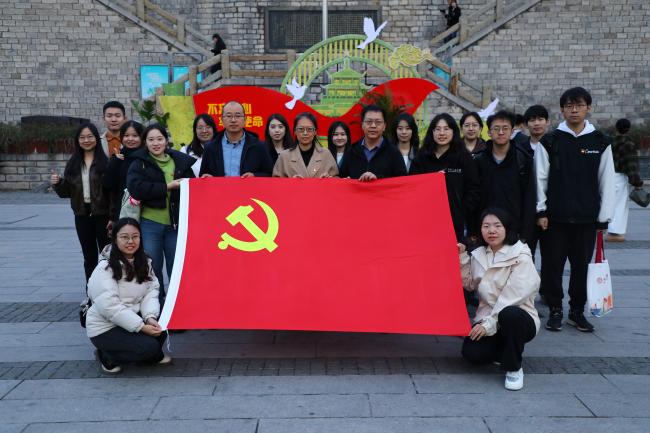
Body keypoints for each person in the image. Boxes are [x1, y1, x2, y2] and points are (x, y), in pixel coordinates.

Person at [536, 87, 615, 333]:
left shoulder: (600, 142)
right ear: (562, 109)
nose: (574, 110)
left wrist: (603, 217)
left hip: (586, 219)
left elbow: (607, 181)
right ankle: (555, 309)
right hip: (555, 218)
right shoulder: (550, 141)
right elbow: (540, 179)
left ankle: (577, 311)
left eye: (579, 105)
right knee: (552, 266)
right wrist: (541, 211)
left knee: (581, 267)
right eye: (569, 106)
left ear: (588, 108)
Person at [459, 208, 540, 391]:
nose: (491, 231)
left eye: (497, 226)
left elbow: (512, 297)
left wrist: (488, 324)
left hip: (519, 317)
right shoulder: (479, 254)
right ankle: (504, 347)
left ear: (507, 228)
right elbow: (470, 284)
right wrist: (462, 256)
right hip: (487, 318)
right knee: (472, 354)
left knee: (509, 314)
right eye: (486, 226)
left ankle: (514, 368)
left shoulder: (521, 256)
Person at [86, 218, 170, 374]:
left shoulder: (144, 261)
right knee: (149, 347)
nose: (130, 241)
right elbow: (110, 307)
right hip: (105, 327)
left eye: (135, 236)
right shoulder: (105, 268)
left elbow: (151, 291)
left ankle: (146, 353)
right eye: (124, 237)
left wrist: (150, 317)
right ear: (115, 239)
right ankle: (106, 355)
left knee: (163, 325)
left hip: (131, 318)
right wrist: (141, 327)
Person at [127, 124, 196, 302]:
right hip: (150, 224)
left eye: (159, 139)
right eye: (151, 140)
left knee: (177, 268)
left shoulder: (180, 161)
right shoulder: (139, 163)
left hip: (176, 225)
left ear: (166, 141)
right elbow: (136, 189)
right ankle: (155, 306)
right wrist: (167, 187)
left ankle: (176, 306)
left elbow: (193, 187)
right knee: (153, 268)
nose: (156, 143)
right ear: (145, 142)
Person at [51, 123, 111, 284]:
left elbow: (111, 193)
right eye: (82, 137)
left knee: (107, 255)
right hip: (82, 215)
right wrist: (58, 183)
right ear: (77, 140)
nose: (86, 140)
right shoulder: (73, 163)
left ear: (96, 138)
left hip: (103, 215)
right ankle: (91, 290)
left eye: (90, 136)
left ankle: (108, 289)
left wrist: (113, 217)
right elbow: (67, 193)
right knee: (89, 256)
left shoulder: (105, 163)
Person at [409, 113, 480, 242]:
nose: (442, 133)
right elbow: (412, 187)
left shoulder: (464, 158)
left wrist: (460, 211)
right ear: (432, 132)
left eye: (446, 129)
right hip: (425, 219)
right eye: (437, 129)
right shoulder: (421, 158)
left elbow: (473, 189)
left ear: (454, 132)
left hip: (455, 222)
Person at [472, 111, 536, 248]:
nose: (501, 132)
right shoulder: (478, 160)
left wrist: (525, 232)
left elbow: (529, 197)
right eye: (496, 128)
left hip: (514, 228)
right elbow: (473, 196)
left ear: (512, 131)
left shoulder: (523, 159)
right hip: (485, 229)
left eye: (505, 128)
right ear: (489, 132)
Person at [199, 101, 273, 178]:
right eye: (229, 116)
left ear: (245, 119)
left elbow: (269, 174)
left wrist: (254, 176)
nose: (233, 120)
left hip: (249, 186)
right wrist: (208, 178)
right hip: (219, 186)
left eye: (238, 116)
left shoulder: (259, 146)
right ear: (222, 120)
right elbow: (203, 175)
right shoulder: (210, 147)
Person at [339, 105, 407, 181]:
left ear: (384, 126)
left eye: (378, 122)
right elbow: (340, 179)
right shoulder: (352, 151)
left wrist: (377, 179)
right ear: (362, 125)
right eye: (369, 122)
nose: (373, 125)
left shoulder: (393, 152)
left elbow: (402, 181)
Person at [607, 118, 644, 242]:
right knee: (619, 205)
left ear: (616, 128)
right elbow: (631, 166)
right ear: (628, 129)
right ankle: (615, 233)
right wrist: (637, 183)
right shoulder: (628, 143)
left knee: (609, 204)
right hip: (619, 176)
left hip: (607, 175)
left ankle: (607, 229)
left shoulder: (609, 141)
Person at [102, 120, 144, 224]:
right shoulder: (118, 159)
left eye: (135, 136)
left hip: (145, 212)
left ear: (142, 137)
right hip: (122, 211)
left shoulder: (147, 159)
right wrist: (114, 162)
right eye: (126, 135)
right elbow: (108, 186)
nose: (130, 139)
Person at [273, 112, 338, 178]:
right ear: (295, 131)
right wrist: (290, 182)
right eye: (301, 129)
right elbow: (275, 181)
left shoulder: (325, 154)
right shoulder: (284, 156)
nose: (305, 133)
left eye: (309, 129)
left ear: (315, 132)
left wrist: (329, 178)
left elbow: (336, 178)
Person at [523, 104, 550, 259]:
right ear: (526, 124)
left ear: (547, 122)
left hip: (549, 210)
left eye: (540, 119)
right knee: (526, 255)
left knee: (551, 256)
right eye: (532, 120)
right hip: (526, 210)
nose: (537, 123)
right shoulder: (519, 148)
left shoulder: (555, 145)